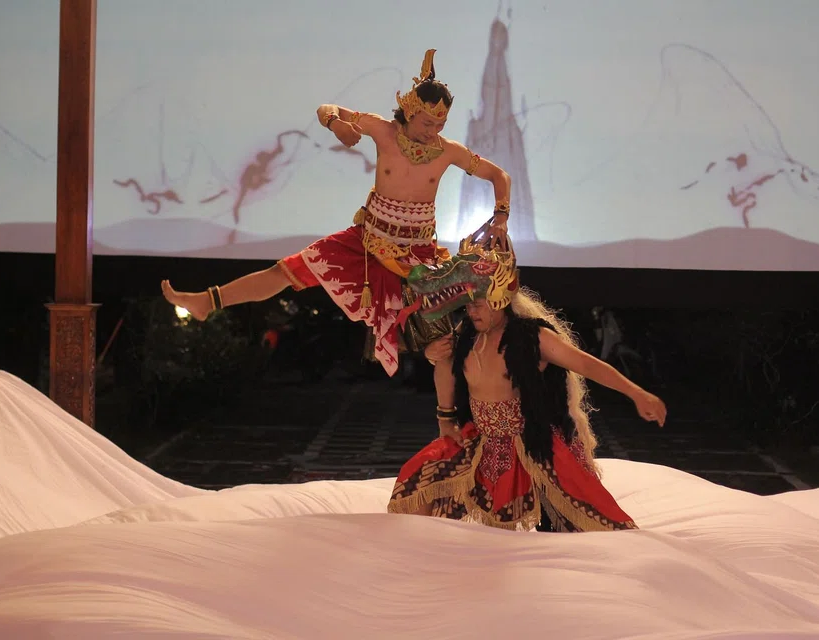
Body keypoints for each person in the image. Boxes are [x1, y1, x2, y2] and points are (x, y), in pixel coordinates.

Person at [161, 49, 511, 376]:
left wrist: (501, 216)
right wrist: (336, 124)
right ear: (409, 110)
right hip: (366, 242)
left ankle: (458, 407)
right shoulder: (382, 130)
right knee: (285, 271)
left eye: (440, 124)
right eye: (426, 123)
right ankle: (208, 301)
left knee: (443, 342)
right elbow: (326, 108)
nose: (433, 132)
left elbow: (499, 176)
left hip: (417, 255)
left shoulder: (449, 151)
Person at [387, 231, 667, 532]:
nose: (471, 311)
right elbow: (444, 365)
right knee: (415, 486)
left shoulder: (533, 338)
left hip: (532, 443)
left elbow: (586, 364)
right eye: (468, 304)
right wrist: (444, 414)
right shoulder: (466, 334)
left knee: (592, 525)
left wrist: (636, 393)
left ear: (499, 299)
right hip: (481, 440)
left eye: (478, 303)